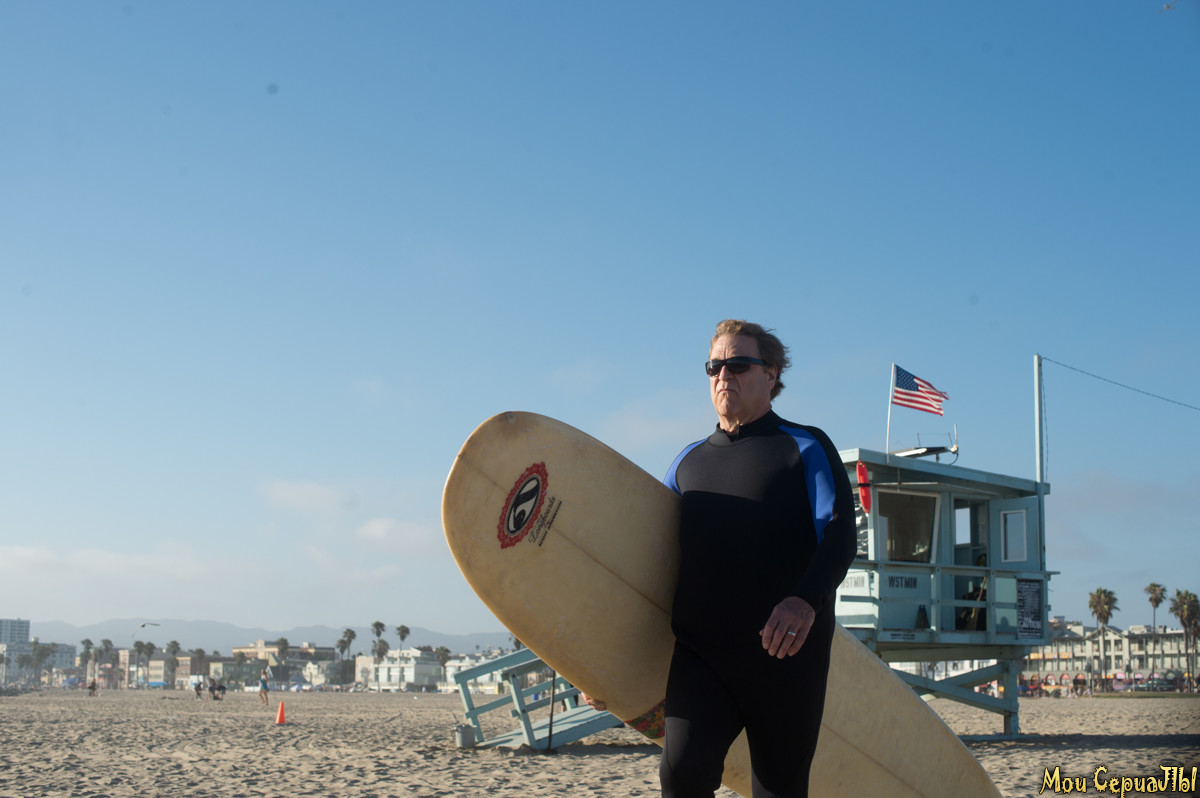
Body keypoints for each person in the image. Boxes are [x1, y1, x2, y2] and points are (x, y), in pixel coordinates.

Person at [630, 319, 856, 798]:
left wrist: (804, 600)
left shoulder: (805, 446)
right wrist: (601, 663)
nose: (722, 375)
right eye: (714, 366)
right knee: (681, 775)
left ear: (771, 374)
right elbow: (645, 561)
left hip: (785, 657)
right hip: (701, 656)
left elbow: (839, 536)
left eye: (737, 364)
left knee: (778, 789)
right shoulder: (686, 463)